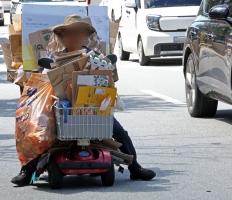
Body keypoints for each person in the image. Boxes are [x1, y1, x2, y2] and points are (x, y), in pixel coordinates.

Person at [11, 15, 156, 186]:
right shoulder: (55, 59)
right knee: (37, 130)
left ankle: (135, 168)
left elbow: (110, 82)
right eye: (71, 33)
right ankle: (27, 171)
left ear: (85, 37)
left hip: (93, 109)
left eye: (79, 33)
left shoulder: (95, 57)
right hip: (63, 110)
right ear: (64, 36)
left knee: (119, 132)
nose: (75, 37)